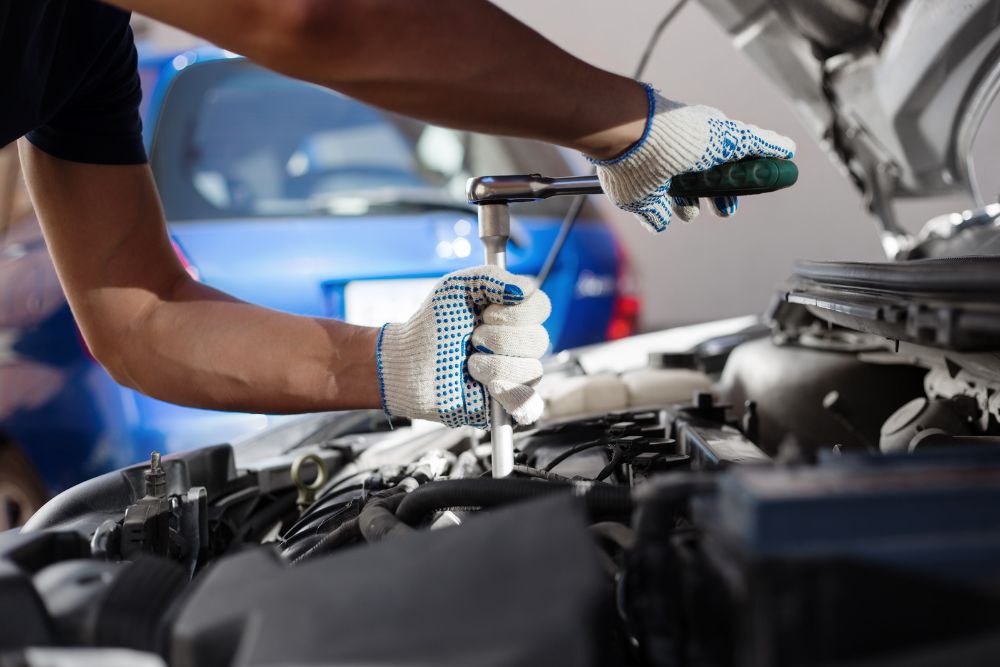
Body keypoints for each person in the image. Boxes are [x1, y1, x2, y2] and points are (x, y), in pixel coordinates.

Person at [3, 0, 794, 429]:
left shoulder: (81, 44)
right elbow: (312, 15)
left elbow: (141, 317)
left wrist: (393, 363)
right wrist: (630, 124)